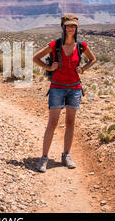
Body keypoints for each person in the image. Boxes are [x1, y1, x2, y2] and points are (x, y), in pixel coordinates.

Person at [32, 13, 96, 172]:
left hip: (74, 88)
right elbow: (36, 58)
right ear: (63, 27)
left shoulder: (81, 46)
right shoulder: (55, 45)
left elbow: (93, 59)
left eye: (73, 26)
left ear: (76, 28)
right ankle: (44, 158)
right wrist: (48, 68)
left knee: (70, 123)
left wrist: (84, 69)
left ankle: (66, 155)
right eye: (68, 25)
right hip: (57, 87)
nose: (70, 28)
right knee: (52, 123)